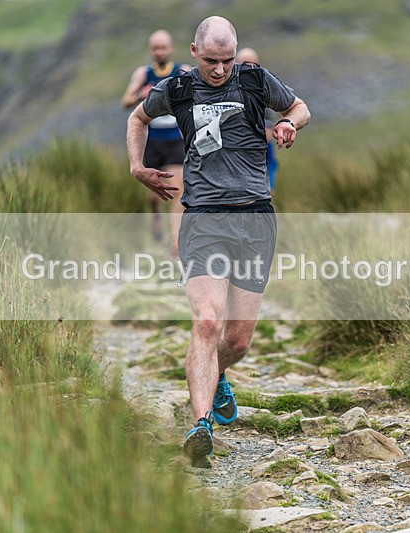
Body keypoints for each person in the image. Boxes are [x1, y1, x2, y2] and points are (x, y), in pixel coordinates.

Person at [127, 16, 310, 467]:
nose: (219, 70)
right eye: (211, 61)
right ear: (193, 52)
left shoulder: (253, 80)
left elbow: (300, 108)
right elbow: (138, 117)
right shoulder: (179, 88)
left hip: (254, 220)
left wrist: (289, 125)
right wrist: (136, 166)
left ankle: (217, 374)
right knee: (207, 323)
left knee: (238, 339)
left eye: (227, 60)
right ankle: (201, 424)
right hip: (204, 218)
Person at [122, 30, 191, 256]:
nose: (160, 51)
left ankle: (176, 241)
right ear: (151, 50)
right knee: (153, 196)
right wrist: (141, 95)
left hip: (174, 139)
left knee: (176, 191)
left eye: (163, 47)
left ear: (171, 49)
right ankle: (156, 217)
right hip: (151, 141)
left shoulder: (182, 70)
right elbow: (126, 101)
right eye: (156, 48)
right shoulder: (144, 73)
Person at [236, 47, 279, 190]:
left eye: (251, 64)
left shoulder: (264, 87)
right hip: (237, 149)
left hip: (261, 147)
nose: (247, 68)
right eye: (243, 64)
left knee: (266, 188)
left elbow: (269, 126)